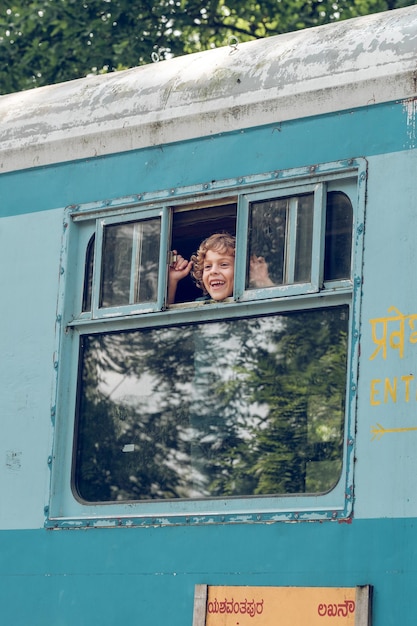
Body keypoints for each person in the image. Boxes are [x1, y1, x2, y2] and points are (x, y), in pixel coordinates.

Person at [168, 232, 274, 305]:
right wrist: (172, 280)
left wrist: (263, 281)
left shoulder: (252, 299)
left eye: (224, 265)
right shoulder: (199, 304)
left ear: (242, 271)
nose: (213, 271)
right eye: (208, 266)